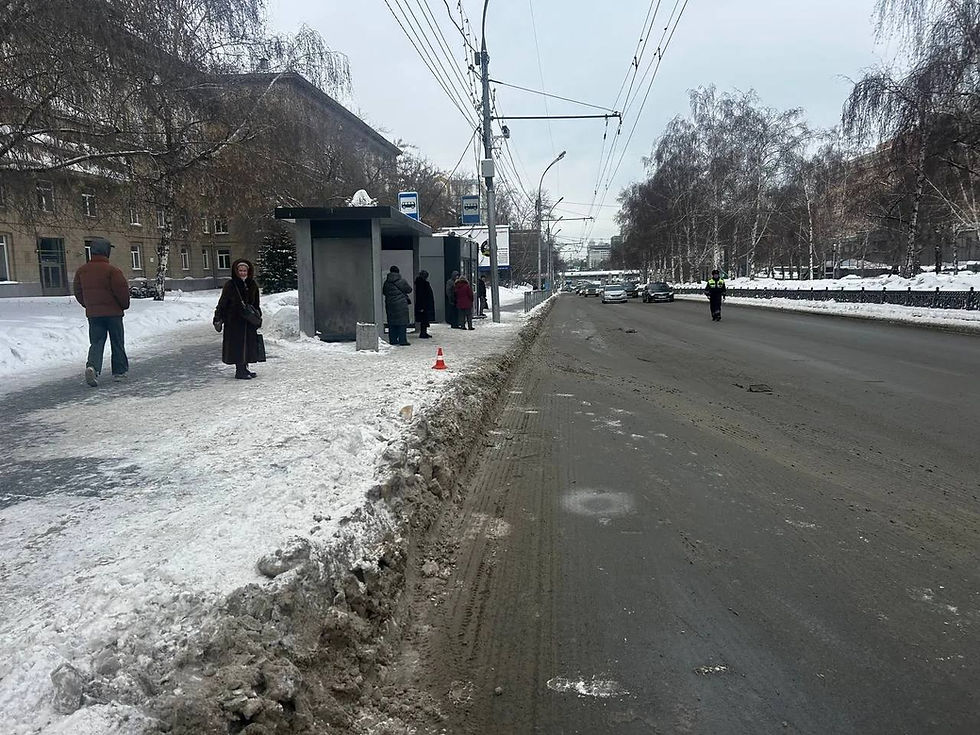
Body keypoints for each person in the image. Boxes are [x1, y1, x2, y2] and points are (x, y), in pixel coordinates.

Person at [73, 238, 131, 387]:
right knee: (117, 342)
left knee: (96, 342)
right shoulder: (113, 271)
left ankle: (92, 367)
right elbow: (122, 291)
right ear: (106, 252)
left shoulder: (81, 271)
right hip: (113, 314)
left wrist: (88, 305)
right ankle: (119, 372)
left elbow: (78, 292)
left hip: (94, 314)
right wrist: (123, 306)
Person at [213, 259, 262, 379]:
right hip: (234, 320)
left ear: (248, 271)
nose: (242, 273)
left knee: (248, 344)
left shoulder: (252, 284)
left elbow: (256, 303)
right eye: (240, 270)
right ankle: (239, 371)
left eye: (245, 270)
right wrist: (218, 317)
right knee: (238, 345)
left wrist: (257, 315)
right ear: (236, 271)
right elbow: (223, 302)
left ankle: (245, 368)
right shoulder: (230, 285)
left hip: (248, 320)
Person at [382, 265, 413, 346]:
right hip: (401, 305)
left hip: (390, 305)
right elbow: (409, 290)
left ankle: (393, 340)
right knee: (402, 323)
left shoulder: (386, 282)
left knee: (392, 323)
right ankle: (402, 340)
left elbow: (384, 292)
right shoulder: (401, 281)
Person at [414, 270, 435, 339]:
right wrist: (422, 306)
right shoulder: (422, 284)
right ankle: (423, 333)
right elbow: (421, 295)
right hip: (424, 304)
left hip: (423, 304)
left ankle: (424, 332)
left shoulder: (420, 283)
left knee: (424, 319)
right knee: (424, 319)